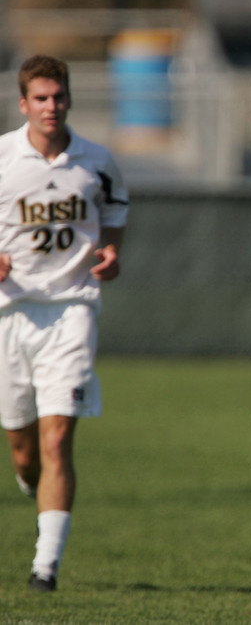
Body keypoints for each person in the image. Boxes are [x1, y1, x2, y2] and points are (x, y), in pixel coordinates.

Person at [0, 54, 129, 592]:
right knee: (25, 451)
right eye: (42, 98)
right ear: (24, 103)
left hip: (73, 307)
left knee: (57, 443)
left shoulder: (96, 161)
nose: (52, 106)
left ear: (69, 98)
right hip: (11, 310)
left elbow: (116, 215)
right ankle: (32, 484)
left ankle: (44, 566)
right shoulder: (3, 157)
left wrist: (111, 254)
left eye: (60, 96)